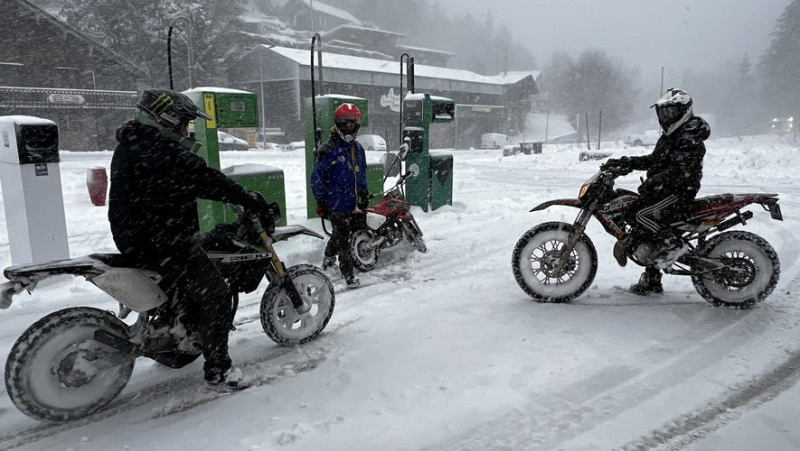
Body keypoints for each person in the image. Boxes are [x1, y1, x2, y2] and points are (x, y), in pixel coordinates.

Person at [108, 89, 276, 388]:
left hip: (142, 234)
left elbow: (189, 179)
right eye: (185, 123)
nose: (187, 130)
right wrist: (242, 197)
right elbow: (202, 178)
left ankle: (176, 332)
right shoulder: (157, 148)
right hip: (159, 238)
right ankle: (219, 370)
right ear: (168, 119)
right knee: (217, 294)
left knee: (192, 279)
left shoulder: (136, 142)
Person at [601, 88, 711, 295]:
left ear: (683, 111)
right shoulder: (673, 135)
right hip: (667, 189)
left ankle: (672, 244)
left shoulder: (689, 136)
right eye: (662, 113)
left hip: (679, 191)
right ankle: (652, 279)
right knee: (644, 227)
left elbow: (681, 171)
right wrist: (626, 163)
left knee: (638, 214)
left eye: (670, 112)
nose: (665, 117)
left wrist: (655, 183)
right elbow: (654, 161)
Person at [311, 103, 369, 288]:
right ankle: (348, 275)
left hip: (354, 203)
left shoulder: (358, 149)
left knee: (340, 233)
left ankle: (328, 257)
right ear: (338, 123)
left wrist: (364, 192)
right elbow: (317, 178)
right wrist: (321, 200)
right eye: (346, 123)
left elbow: (362, 173)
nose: (350, 127)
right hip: (335, 203)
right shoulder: (328, 150)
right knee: (344, 240)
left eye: (353, 124)